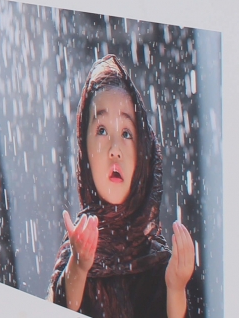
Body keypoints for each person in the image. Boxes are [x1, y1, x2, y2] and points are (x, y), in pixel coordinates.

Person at [49, 55, 195, 317]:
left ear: (143, 154)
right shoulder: (81, 244)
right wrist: (79, 266)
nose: (115, 150)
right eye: (102, 130)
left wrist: (175, 288)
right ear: (85, 152)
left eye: (126, 133)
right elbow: (57, 307)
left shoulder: (157, 259)